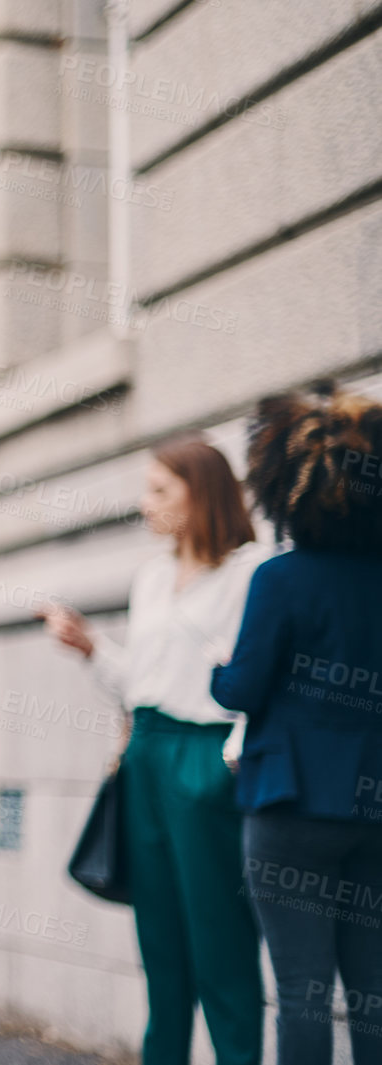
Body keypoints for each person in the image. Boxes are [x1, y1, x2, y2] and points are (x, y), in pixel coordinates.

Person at [41, 435, 267, 1065]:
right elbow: (144, 682)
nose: (145, 504)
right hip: (145, 754)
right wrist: (90, 650)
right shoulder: (151, 578)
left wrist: (226, 763)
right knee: (160, 946)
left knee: (220, 942)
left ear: (203, 493)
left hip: (205, 758)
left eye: (160, 490)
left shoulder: (250, 572)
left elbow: (259, 684)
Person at [211, 383, 382, 1065]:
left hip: (288, 803)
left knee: (301, 990)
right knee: (371, 988)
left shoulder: (279, 579)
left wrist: (215, 669)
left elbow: (241, 689)